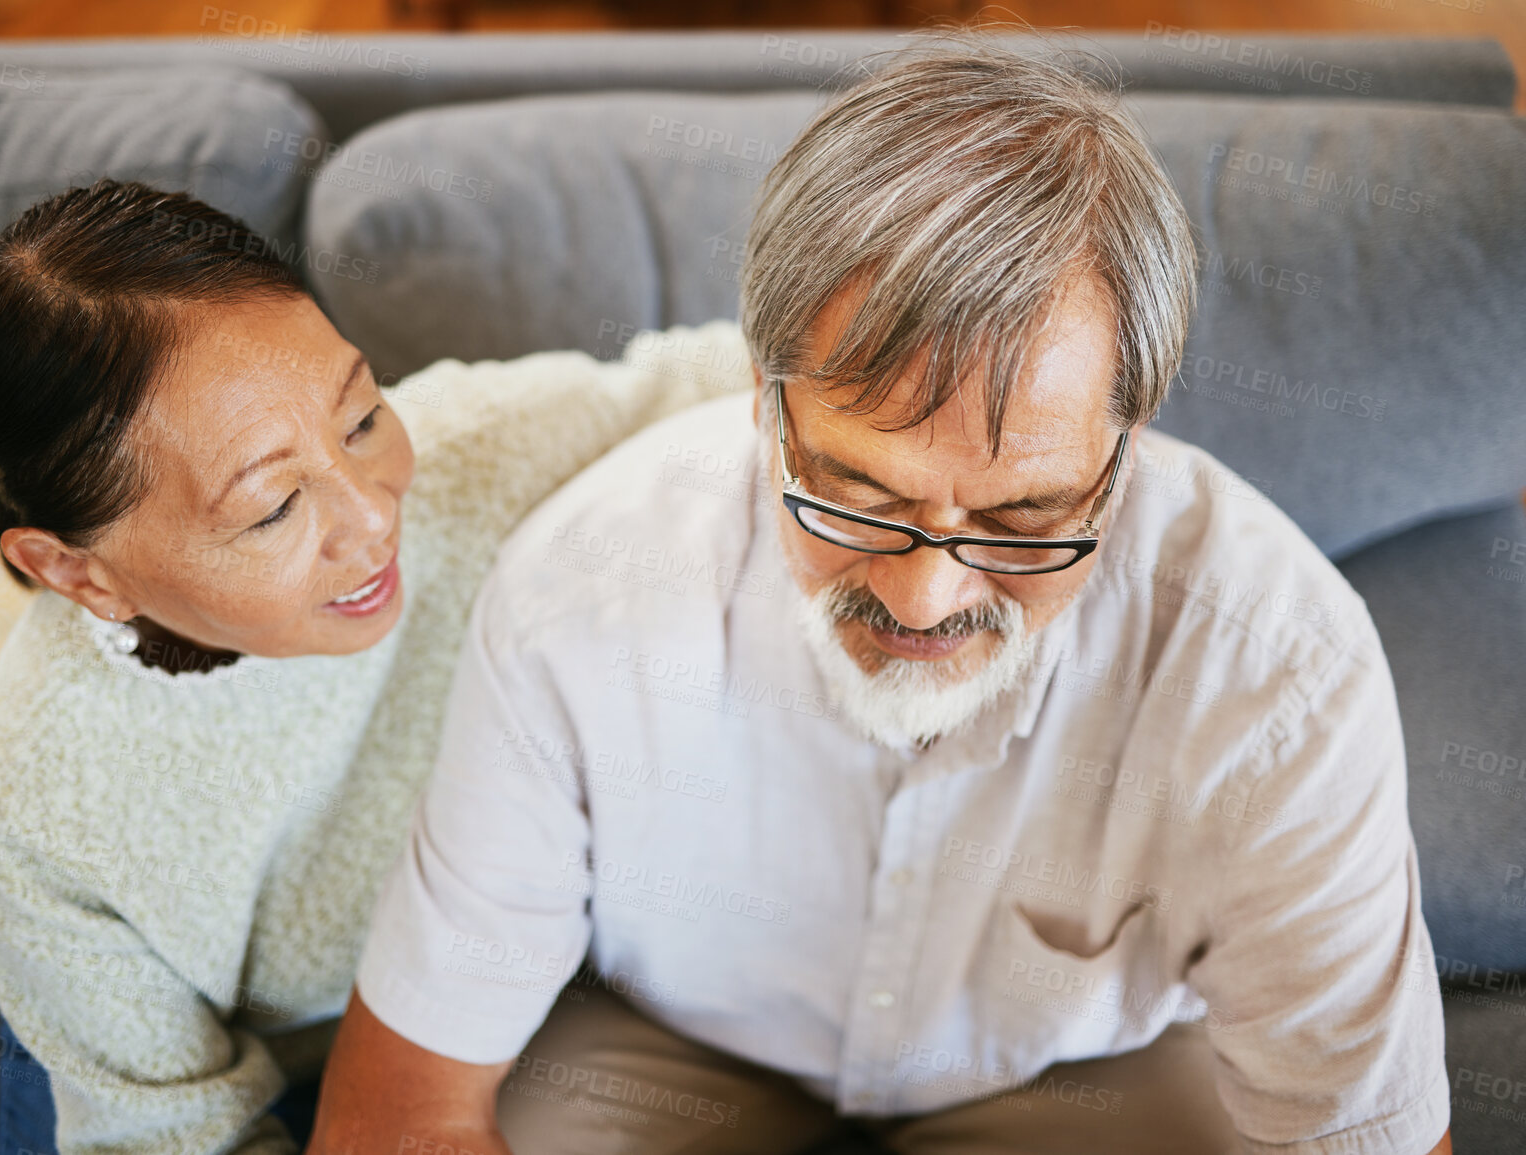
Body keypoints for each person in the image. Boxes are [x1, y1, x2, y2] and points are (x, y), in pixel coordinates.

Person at [309, 37, 1453, 1155]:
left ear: (1128, 443)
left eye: (1022, 519)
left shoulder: (1282, 671)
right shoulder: (581, 588)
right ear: (766, 406)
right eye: (856, 495)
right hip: (670, 1051)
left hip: (1093, 1077)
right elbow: (400, 1116)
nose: (924, 595)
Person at [0, 178, 736, 1155]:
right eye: (273, 508)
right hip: (198, 1091)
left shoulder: (466, 454)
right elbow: (175, 1134)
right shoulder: (46, 799)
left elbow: (712, 382)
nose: (373, 516)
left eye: (360, 419)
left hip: (455, 1013)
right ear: (78, 571)